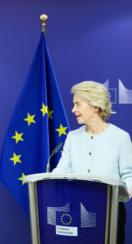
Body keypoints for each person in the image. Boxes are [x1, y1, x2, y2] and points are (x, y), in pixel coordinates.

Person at [52, 81, 132, 244]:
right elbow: (62, 170)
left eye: (77, 104)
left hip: (111, 212)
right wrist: (49, 181)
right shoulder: (72, 137)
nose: (73, 110)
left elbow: (129, 174)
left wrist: (127, 190)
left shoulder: (121, 137)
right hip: (77, 211)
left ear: (95, 105)